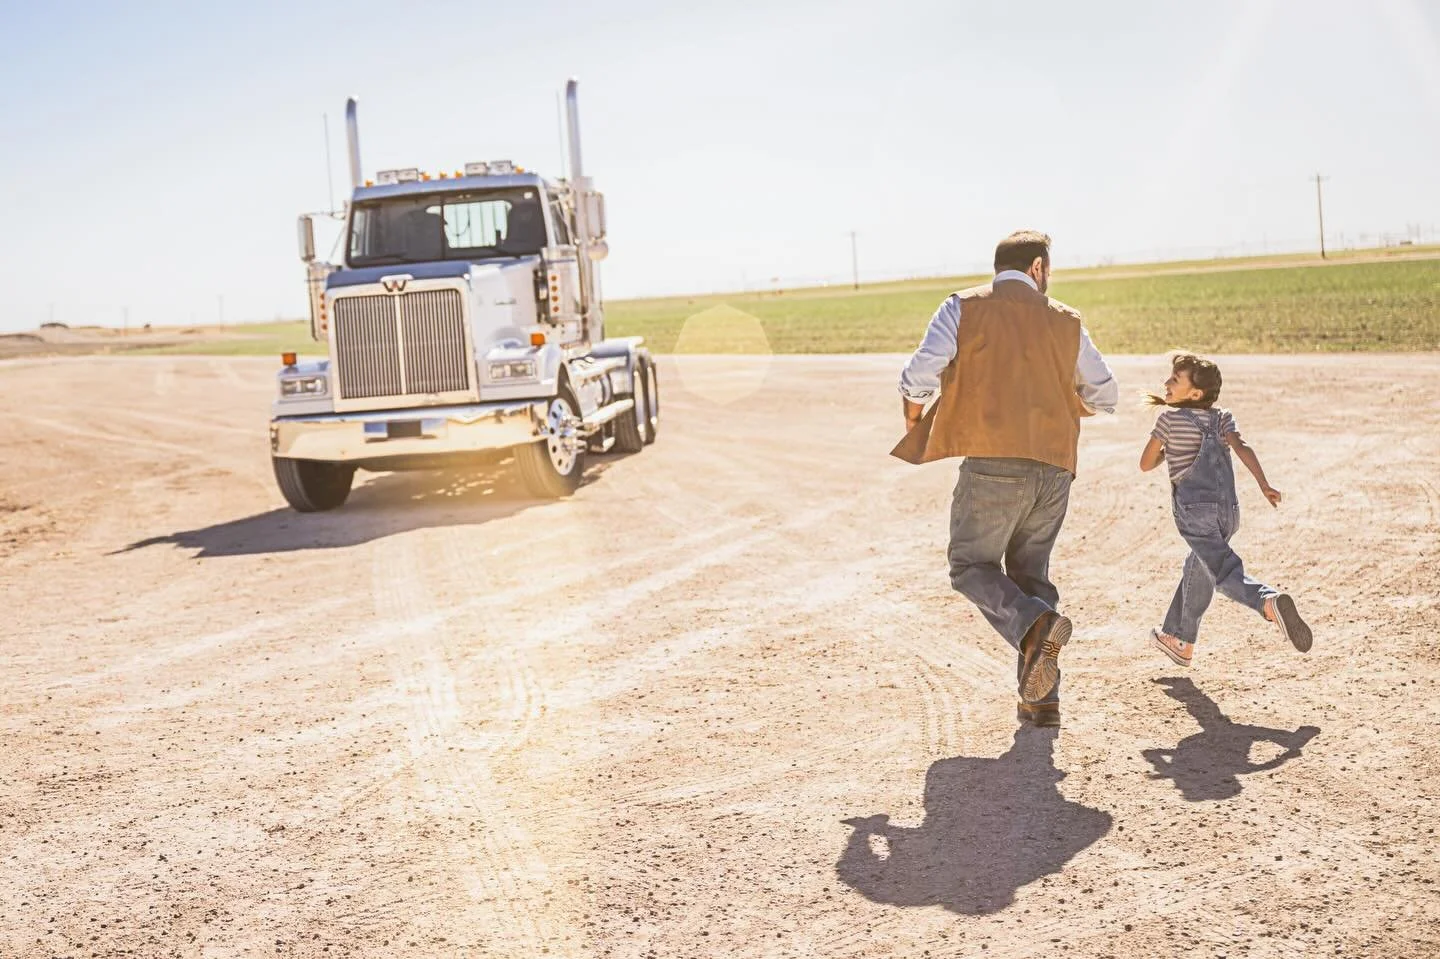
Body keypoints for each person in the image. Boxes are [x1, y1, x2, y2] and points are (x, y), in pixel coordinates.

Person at [892, 230, 1118, 728]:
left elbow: (920, 373)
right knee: (1031, 576)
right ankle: (1041, 702)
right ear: (1038, 267)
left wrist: (913, 415)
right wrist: (1058, 410)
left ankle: (1035, 626)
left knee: (970, 564)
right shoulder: (1067, 320)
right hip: (1056, 468)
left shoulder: (963, 307)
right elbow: (1106, 395)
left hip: (994, 464)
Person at [1139, 352, 1312, 666]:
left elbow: (1145, 464)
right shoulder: (1222, 418)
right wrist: (1264, 485)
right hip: (1227, 512)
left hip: (1194, 512)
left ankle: (1268, 602)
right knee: (1200, 564)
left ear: (1195, 393)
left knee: (1223, 571)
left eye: (1175, 380)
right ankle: (1180, 639)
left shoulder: (1167, 421)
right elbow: (1242, 447)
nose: (1166, 383)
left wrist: (1169, 451)